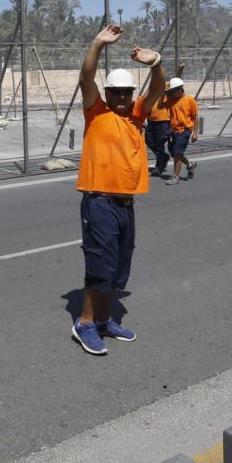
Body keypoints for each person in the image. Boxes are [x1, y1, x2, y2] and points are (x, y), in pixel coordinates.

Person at [72, 24, 166, 356]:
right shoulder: (96, 112)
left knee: (118, 267)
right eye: (117, 92)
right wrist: (98, 42)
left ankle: (103, 319)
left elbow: (158, 88)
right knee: (99, 265)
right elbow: (86, 77)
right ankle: (84, 323)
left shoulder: (138, 117)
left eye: (128, 92)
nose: (123, 97)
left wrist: (155, 63)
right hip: (98, 201)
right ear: (108, 94)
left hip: (125, 204)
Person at [144, 60, 184, 177]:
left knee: (159, 144)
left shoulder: (165, 86)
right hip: (151, 121)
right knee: (149, 141)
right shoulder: (152, 88)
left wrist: (180, 69)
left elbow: (176, 82)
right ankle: (163, 157)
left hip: (163, 122)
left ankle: (158, 167)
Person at [164, 77, 198, 185]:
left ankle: (176, 177)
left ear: (180, 90)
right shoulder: (171, 100)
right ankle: (190, 165)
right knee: (174, 154)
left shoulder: (190, 100)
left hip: (185, 131)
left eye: (173, 91)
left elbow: (195, 117)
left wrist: (195, 133)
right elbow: (162, 99)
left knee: (177, 153)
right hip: (173, 131)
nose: (171, 93)